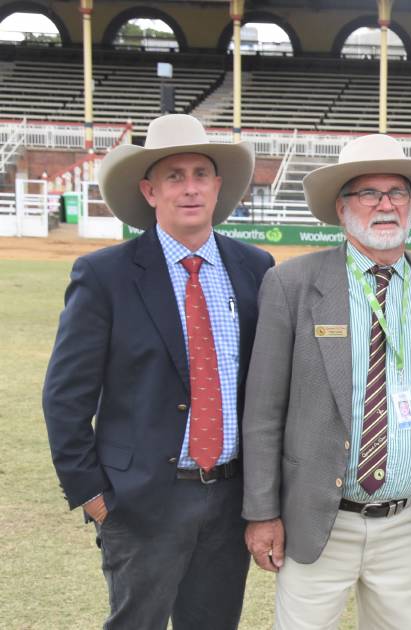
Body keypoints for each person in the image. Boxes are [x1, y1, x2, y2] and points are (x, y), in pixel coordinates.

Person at [42, 114, 274, 629]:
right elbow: (66, 396)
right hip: (141, 499)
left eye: (199, 174)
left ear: (217, 186)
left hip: (230, 495)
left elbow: (268, 386)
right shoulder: (105, 275)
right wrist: (93, 495)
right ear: (149, 190)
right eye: (174, 176)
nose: (189, 188)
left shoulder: (256, 268)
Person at [240, 135, 411, 629]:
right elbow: (263, 412)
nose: (384, 205)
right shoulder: (290, 285)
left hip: (408, 520)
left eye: (397, 192)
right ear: (341, 208)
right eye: (367, 194)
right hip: (319, 518)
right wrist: (261, 512)